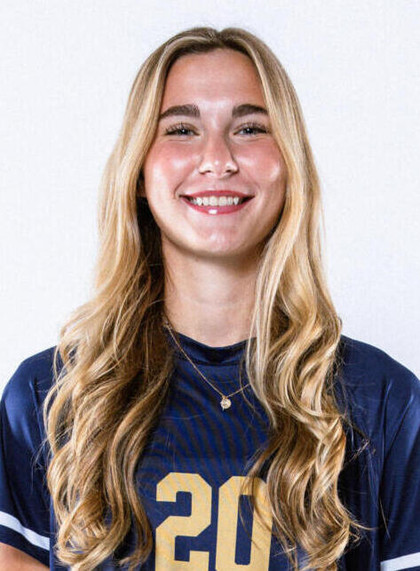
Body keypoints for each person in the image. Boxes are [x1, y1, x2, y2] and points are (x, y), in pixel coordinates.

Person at [0, 26, 419, 571]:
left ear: (289, 165)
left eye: (249, 129)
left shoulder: (382, 400)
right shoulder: (51, 396)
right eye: (181, 129)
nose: (217, 159)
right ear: (139, 173)